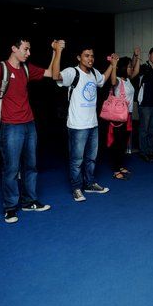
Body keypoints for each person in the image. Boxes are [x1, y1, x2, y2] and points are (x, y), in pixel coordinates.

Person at [0, 32, 65, 223]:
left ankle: (30, 201)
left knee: (31, 166)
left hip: (29, 124)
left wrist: (55, 52)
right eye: (25, 49)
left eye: (29, 49)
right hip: (10, 126)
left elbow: (51, 74)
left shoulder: (27, 69)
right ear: (14, 48)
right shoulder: (0, 67)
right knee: (11, 168)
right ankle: (10, 207)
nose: (28, 53)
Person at [54, 46, 115, 202]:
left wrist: (112, 64)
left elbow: (102, 80)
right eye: (86, 55)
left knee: (92, 157)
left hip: (93, 124)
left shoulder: (94, 73)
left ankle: (89, 183)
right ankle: (76, 188)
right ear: (78, 57)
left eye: (92, 56)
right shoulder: (72, 72)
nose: (90, 59)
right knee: (76, 160)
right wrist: (58, 52)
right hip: (77, 125)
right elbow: (55, 76)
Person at [107, 52, 140, 180]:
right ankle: (116, 170)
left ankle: (120, 166)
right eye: (128, 66)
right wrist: (114, 65)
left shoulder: (128, 80)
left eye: (130, 66)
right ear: (122, 67)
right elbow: (112, 80)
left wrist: (136, 57)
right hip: (118, 117)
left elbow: (136, 71)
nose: (130, 68)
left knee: (124, 143)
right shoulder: (119, 81)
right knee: (118, 143)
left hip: (128, 115)